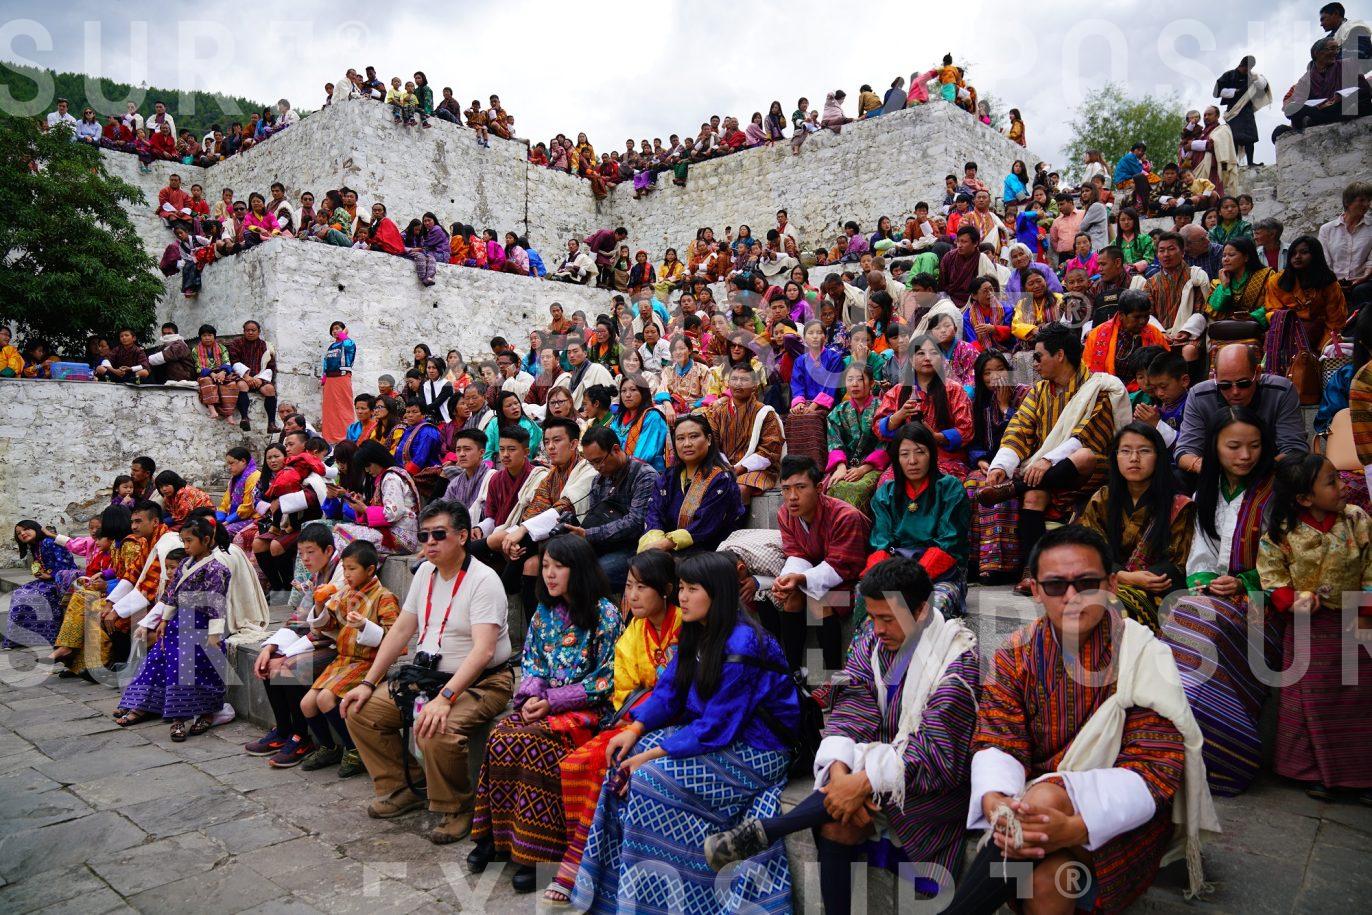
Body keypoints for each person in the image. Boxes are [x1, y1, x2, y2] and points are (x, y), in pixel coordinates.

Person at [946, 525, 1215, 913]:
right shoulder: (1015, 654)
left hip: (1120, 820)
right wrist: (994, 801)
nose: (1072, 597)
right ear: (1036, 591)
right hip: (1030, 811)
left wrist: (1074, 827)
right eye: (1055, 586)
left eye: (1087, 582)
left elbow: (1154, 769)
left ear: (1111, 585)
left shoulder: (1143, 654)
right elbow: (999, 738)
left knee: (1045, 796)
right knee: (1046, 884)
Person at [708, 557, 979, 915]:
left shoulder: (957, 658)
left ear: (922, 610)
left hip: (929, 787)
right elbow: (853, 705)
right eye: (873, 617)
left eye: (889, 618)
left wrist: (863, 781)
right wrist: (839, 773)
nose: (878, 629)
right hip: (873, 767)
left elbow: (936, 753)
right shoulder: (872, 641)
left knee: (842, 808)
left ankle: (769, 829)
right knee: (838, 821)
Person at [571, 551, 800, 915]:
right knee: (618, 763)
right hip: (715, 734)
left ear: (719, 593)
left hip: (758, 749)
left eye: (693, 589)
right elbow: (669, 690)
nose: (682, 597)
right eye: (681, 587)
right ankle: (614, 898)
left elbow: (716, 729)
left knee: (646, 779)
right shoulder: (697, 631)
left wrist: (649, 754)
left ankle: (669, 901)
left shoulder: (744, 643)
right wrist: (636, 729)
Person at [339, 500, 514, 842]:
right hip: (428, 676)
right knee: (360, 709)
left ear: (463, 536)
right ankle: (404, 787)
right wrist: (367, 682)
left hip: (483, 681)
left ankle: (457, 808)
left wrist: (447, 697)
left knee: (435, 727)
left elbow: (484, 651)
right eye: (424, 535)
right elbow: (401, 632)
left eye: (439, 534)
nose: (429, 542)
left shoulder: (484, 580)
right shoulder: (424, 574)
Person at [468, 535, 621, 893]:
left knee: (537, 745)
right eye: (546, 565)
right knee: (503, 736)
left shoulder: (605, 613)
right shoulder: (544, 613)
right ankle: (499, 838)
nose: (549, 574)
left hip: (588, 711)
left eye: (559, 566)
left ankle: (540, 852)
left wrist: (554, 701)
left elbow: (606, 678)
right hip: (544, 705)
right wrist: (533, 697)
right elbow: (533, 663)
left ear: (578, 569)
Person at [543, 550, 682, 905]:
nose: (631, 596)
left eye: (641, 588)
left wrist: (647, 704)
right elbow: (625, 687)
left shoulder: (684, 625)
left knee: (605, 764)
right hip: (636, 718)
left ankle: (577, 867)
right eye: (629, 587)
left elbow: (677, 690)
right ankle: (587, 857)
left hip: (671, 722)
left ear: (666, 590)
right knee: (575, 764)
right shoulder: (635, 630)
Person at [1167, 407, 1279, 797]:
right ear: (1215, 446)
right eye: (1233, 446)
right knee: (1183, 615)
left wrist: (1247, 582)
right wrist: (1204, 583)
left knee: (1206, 626)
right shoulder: (1208, 490)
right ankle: (1180, 741)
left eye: (1253, 446)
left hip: (1267, 601)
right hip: (1217, 595)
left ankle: (1226, 749)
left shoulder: (1278, 490)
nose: (1245, 455)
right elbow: (1201, 553)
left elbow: (1293, 555)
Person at [977, 325, 1133, 592]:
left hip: (1086, 470)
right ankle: (1032, 570)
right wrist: (1001, 466)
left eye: (1038, 357)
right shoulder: (1038, 392)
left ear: (1059, 355)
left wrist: (1047, 461)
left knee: (1083, 456)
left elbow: (1087, 436)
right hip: (1041, 475)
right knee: (1034, 495)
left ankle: (1016, 486)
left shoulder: (1100, 387)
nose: (1034, 364)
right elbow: (1019, 428)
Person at [1258, 453, 1372, 803]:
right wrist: (1290, 599)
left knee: (1359, 697)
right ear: (1304, 499)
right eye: (1331, 482)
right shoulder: (1282, 532)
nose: (1342, 487)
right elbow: (1271, 574)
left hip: (1357, 621)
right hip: (1309, 626)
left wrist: (1368, 608)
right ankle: (1317, 773)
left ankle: (1361, 776)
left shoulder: (1357, 519)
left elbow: (1371, 566)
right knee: (1312, 700)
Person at [115, 515, 232, 741]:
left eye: (190, 541)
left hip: (202, 626)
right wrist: (165, 620)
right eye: (184, 541)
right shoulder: (184, 565)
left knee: (198, 670)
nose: (186, 546)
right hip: (178, 623)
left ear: (206, 540)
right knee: (163, 662)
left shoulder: (216, 569)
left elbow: (216, 602)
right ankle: (176, 718)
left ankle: (206, 714)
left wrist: (215, 634)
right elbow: (171, 595)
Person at [293, 540, 399, 776]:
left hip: (367, 662)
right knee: (307, 703)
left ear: (370, 570)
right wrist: (319, 604)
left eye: (352, 569)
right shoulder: (345, 594)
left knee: (325, 699)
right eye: (345, 568)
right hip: (343, 660)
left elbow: (394, 638)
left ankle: (355, 749)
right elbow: (327, 625)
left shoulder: (384, 597)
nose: (347, 574)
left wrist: (364, 626)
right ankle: (329, 747)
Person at [1075, 424, 1193, 631]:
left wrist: (1140, 580)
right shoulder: (1102, 498)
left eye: (1144, 451)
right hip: (1110, 580)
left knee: (1106, 606)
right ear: (1116, 456)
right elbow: (1088, 551)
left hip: (1158, 592)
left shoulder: (1179, 505)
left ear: (1159, 457)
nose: (1134, 458)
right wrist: (1124, 577)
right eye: (1126, 451)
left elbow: (1177, 564)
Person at [246, 523, 343, 767]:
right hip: (318, 639)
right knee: (270, 659)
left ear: (329, 550)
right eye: (301, 554)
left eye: (311, 552)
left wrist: (287, 653)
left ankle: (301, 737)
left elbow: (329, 626)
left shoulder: (341, 575)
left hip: (340, 645)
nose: (306, 559)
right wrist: (271, 647)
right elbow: (299, 618)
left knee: (287, 666)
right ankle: (284, 731)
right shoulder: (319, 574)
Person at [868, 423, 972, 619]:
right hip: (895, 574)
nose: (912, 461)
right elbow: (880, 543)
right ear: (896, 459)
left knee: (933, 607)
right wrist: (885, 581)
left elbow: (950, 543)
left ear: (932, 455)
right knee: (866, 598)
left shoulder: (950, 488)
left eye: (920, 452)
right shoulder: (886, 493)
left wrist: (912, 581)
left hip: (941, 575)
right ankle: (875, 650)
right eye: (904, 454)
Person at [1175, 344, 1308, 476]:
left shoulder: (1281, 391)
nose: (1235, 392)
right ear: (1214, 377)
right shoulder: (1199, 395)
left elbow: (1294, 449)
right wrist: (1208, 468)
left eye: (1243, 383)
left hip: (1271, 474)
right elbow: (1185, 451)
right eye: (1225, 385)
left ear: (1258, 373)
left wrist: (1257, 471)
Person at [963, 351, 1030, 584]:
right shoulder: (980, 402)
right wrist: (980, 460)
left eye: (1000, 370)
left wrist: (1004, 407)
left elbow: (1022, 434)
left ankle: (1001, 564)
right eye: (988, 373)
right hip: (988, 462)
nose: (995, 377)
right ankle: (974, 561)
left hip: (1020, 461)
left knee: (999, 487)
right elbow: (975, 440)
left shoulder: (1025, 394)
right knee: (971, 484)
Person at [639, 414, 745, 556]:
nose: (687, 443)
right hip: (666, 549)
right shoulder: (668, 477)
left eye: (694, 436)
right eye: (680, 438)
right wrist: (653, 541)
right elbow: (654, 512)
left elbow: (706, 524)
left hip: (708, 552)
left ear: (708, 440)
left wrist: (663, 545)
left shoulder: (721, 479)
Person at [568, 426, 659, 589]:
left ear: (615, 450)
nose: (596, 468)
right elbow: (596, 515)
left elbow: (636, 522)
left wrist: (589, 534)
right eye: (591, 463)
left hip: (635, 546)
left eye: (598, 461)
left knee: (598, 572)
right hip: (605, 541)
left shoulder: (644, 475)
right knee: (564, 561)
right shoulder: (599, 479)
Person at [875, 335, 974, 479]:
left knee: (944, 484)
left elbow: (967, 429)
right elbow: (878, 427)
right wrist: (899, 415)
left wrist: (937, 437)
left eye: (933, 353)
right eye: (920, 353)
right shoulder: (898, 391)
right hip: (908, 458)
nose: (927, 358)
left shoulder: (954, 390)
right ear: (910, 359)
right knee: (888, 482)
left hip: (946, 458)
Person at [704, 363, 785, 505]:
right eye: (734, 379)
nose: (738, 384)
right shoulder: (718, 413)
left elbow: (769, 451)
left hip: (759, 469)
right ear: (728, 383)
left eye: (744, 380)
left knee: (740, 487)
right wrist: (725, 467)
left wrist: (739, 469)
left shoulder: (765, 413)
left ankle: (737, 526)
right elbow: (712, 445)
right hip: (723, 467)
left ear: (754, 385)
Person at [332, 439, 420, 558]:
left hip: (400, 537)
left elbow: (393, 513)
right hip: (393, 534)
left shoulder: (391, 478)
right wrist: (362, 505)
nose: (367, 470)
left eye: (368, 465)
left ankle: (345, 574)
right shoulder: (387, 477)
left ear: (378, 459)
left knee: (339, 531)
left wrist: (364, 509)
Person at [1264, 234, 1347, 358]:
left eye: (1304, 252)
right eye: (1293, 253)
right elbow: (1272, 311)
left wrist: (1324, 348)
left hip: (1320, 332)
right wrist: (1293, 322)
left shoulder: (1329, 283)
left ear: (1316, 255)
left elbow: (1335, 321)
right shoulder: (1276, 281)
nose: (1297, 257)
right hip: (1284, 330)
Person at [4, 521, 78, 650]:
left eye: (26, 529)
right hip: (49, 580)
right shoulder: (35, 546)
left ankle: (48, 636)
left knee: (26, 595)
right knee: (19, 593)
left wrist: (50, 575)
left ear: (36, 528)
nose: (22, 533)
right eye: (19, 533)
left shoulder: (50, 542)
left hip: (63, 581)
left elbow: (67, 565)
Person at [824, 364, 885, 512]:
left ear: (871, 383)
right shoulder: (838, 412)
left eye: (860, 379)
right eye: (850, 379)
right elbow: (834, 442)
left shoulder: (883, 408)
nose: (854, 384)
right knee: (832, 488)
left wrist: (864, 469)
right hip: (845, 466)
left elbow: (886, 444)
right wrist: (840, 467)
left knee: (857, 489)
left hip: (873, 467)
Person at [1083, 290, 1170, 383]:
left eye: (1146, 316)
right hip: (1108, 389)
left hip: (1146, 390)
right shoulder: (1097, 334)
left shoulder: (1155, 334)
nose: (1142, 321)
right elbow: (1088, 369)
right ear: (1121, 315)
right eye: (1137, 317)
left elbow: (1166, 364)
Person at [1319, 181, 1372, 322]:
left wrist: (1364, 277)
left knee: (1361, 291)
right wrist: (1334, 282)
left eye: (1368, 200)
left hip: (1363, 281)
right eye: (1361, 200)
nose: (1366, 205)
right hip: (1333, 282)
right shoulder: (1327, 229)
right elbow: (1325, 261)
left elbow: (1371, 261)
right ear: (1348, 202)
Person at [1214, 55, 1271, 166]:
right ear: (1241, 65)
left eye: (1249, 68)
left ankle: (1250, 162)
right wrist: (1235, 92)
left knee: (1250, 137)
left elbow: (1263, 86)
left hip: (1247, 110)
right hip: (1233, 110)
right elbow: (1216, 92)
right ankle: (1234, 163)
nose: (1247, 70)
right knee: (1234, 138)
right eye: (1246, 67)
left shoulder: (1252, 77)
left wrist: (1258, 78)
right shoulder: (1229, 75)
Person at [609, 374, 669, 473]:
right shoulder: (618, 418)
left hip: (646, 474)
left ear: (643, 392)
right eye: (623, 391)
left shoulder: (652, 417)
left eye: (633, 390)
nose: (627, 395)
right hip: (620, 471)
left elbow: (643, 456)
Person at [228, 320, 280, 432]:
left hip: (260, 376)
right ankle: (244, 418)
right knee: (242, 386)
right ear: (244, 331)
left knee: (270, 390)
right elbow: (234, 361)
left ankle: (271, 423)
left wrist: (260, 379)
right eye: (248, 330)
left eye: (253, 330)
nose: (250, 332)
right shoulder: (236, 344)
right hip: (241, 375)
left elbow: (270, 366)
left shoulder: (265, 346)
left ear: (258, 331)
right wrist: (246, 377)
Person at [1182, 105, 1238, 197]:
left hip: (1212, 170)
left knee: (1213, 196)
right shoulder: (1200, 132)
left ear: (1217, 116)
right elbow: (1185, 146)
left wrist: (1192, 145)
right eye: (1204, 115)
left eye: (1209, 114)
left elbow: (1214, 145)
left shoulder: (1222, 129)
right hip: (1196, 169)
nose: (1206, 117)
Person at [322, 321, 356, 444]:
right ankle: (329, 437)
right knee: (329, 409)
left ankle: (345, 436)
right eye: (333, 330)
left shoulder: (348, 342)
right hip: (330, 380)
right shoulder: (331, 347)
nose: (335, 331)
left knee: (343, 406)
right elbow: (326, 362)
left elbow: (348, 347)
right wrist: (324, 377)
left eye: (337, 328)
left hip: (342, 378)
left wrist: (344, 335)